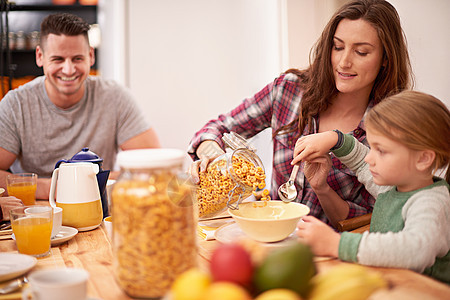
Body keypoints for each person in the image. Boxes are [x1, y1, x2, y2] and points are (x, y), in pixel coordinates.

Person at [188, 0, 413, 227]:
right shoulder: (289, 90)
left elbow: (367, 222)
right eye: (338, 47)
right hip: (268, 236)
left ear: (385, 58)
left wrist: (322, 189)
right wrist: (214, 157)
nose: (344, 62)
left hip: (330, 253)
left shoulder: (388, 132)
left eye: (361, 52)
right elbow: (216, 129)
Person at [0, 13, 160, 200]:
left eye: (77, 58)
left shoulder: (115, 97)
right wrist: (52, 188)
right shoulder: (15, 104)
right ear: (40, 56)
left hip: (99, 211)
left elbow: (153, 163)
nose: (68, 70)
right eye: (58, 59)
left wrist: (93, 183)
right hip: (39, 214)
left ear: (90, 56)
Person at [295, 91, 450, 284]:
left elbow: (415, 251)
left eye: (381, 151)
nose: (370, 158)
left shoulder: (432, 202)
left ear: (423, 159)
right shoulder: (394, 186)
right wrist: (336, 139)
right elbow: (361, 162)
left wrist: (337, 244)